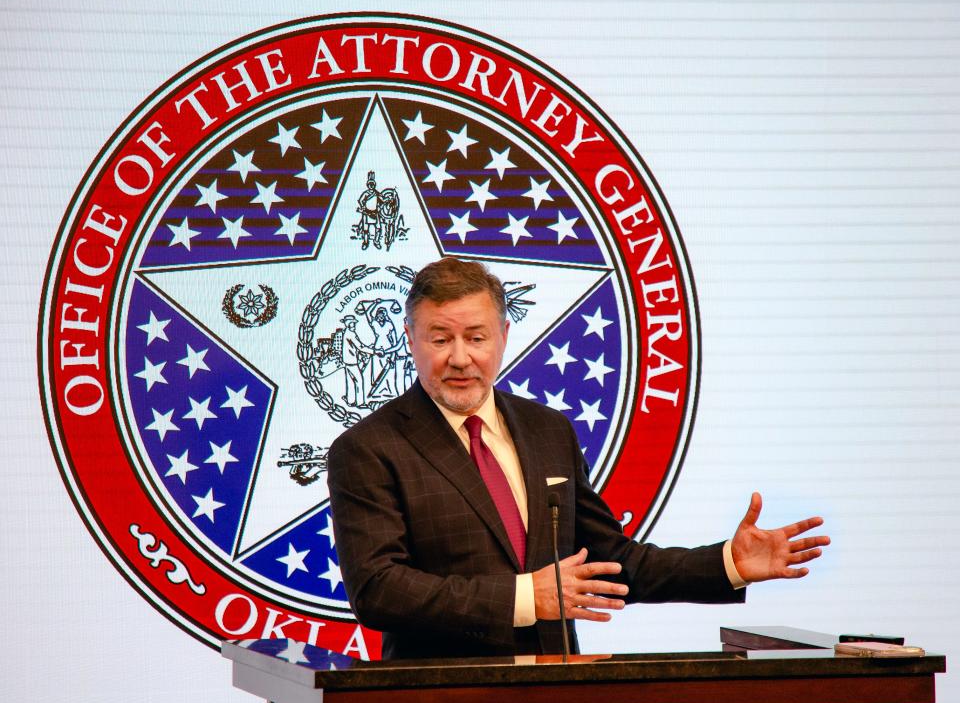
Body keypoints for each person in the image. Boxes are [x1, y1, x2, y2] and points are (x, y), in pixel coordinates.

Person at [327, 257, 829, 659]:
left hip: (555, 701)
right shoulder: (369, 449)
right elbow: (380, 589)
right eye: (440, 339)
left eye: (476, 338)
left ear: (503, 336)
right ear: (410, 340)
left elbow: (611, 562)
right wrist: (527, 598)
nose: (460, 357)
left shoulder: (548, 431)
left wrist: (726, 564)